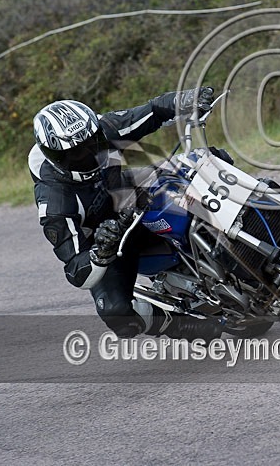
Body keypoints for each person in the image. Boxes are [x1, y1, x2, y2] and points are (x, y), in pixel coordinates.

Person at [28, 87, 223, 340]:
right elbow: (76, 271)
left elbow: (151, 111)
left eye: (92, 144)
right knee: (117, 315)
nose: (89, 155)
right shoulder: (55, 201)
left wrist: (185, 99)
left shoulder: (105, 128)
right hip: (107, 243)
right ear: (54, 158)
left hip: (129, 195)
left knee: (206, 162)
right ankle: (179, 325)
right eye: (76, 154)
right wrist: (101, 251)